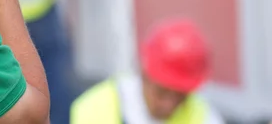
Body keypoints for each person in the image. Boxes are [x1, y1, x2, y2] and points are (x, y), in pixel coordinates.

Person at [70, 18, 224, 124]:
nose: (168, 105)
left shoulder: (202, 115)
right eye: (161, 92)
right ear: (144, 73)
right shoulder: (93, 110)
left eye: (181, 96)